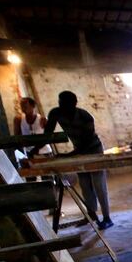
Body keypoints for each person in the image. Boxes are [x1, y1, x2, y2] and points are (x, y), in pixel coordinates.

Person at [42, 91, 114, 230]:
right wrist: (34, 149)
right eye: (60, 102)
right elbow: (47, 135)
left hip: (94, 150)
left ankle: (107, 218)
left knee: (99, 184)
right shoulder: (56, 113)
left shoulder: (85, 117)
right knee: (85, 185)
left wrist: (67, 156)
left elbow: (86, 144)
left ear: (74, 104)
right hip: (78, 151)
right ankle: (91, 215)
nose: (61, 106)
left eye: (65, 104)